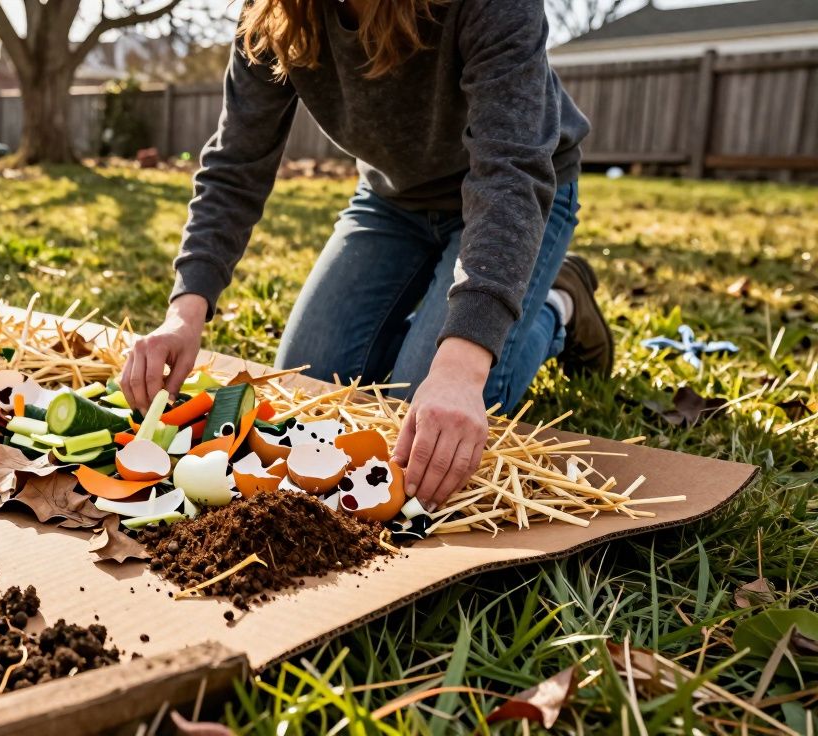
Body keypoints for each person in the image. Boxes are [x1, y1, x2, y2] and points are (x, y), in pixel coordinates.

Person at [120, 0, 614, 511]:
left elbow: (511, 171)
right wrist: (185, 312)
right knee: (311, 394)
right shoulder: (274, 11)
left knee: (424, 423)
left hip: (514, 197)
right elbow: (237, 163)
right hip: (391, 202)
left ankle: (557, 306)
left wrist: (461, 368)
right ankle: (459, 323)